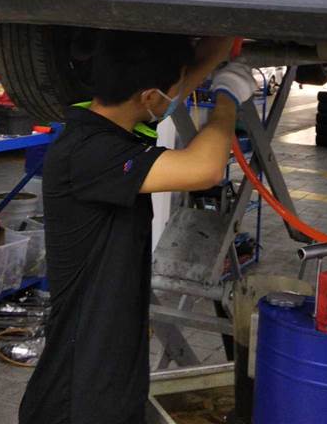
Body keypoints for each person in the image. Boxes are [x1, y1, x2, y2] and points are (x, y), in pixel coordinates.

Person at [18, 30, 255, 424]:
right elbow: (207, 169)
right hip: (77, 402)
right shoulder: (89, 154)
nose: (177, 96)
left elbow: (171, 85)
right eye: (171, 92)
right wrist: (227, 98)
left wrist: (223, 39)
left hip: (107, 380)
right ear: (147, 98)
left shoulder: (111, 123)